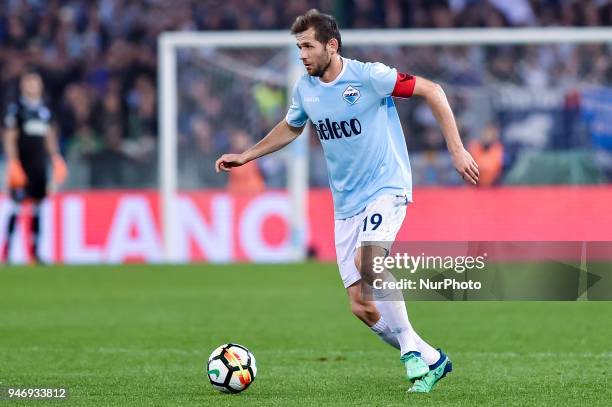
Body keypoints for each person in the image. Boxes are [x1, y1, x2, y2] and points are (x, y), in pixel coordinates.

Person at [215, 9, 479, 393]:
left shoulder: (370, 76)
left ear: (331, 45)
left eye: (307, 46)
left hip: (386, 187)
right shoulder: (305, 89)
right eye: (298, 47)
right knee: (362, 306)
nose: (301, 55)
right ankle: (432, 358)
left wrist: (456, 150)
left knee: (368, 261)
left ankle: (410, 353)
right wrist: (248, 155)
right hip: (346, 204)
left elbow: (433, 91)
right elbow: (291, 126)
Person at [2, 70, 67, 263]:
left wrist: (56, 158)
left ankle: (35, 252)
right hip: (22, 166)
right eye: (29, 83)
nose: (32, 87)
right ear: (23, 86)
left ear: (40, 87)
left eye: (35, 83)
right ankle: (7, 253)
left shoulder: (44, 112)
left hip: (39, 167)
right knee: (16, 206)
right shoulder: (16, 110)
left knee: (38, 207)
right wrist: (13, 163)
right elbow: (9, 137)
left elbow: (49, 137)